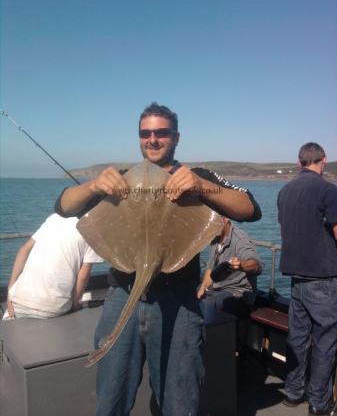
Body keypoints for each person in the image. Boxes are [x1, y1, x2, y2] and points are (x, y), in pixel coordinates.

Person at [54, 102, 262, 416]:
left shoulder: (197, 176)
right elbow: (63, 206)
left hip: (178, 301)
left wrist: (201, 186)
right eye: (145, 133)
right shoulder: (122, 178)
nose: (153, 139)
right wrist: (95, 184)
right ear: (139, 137)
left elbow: (250, 209)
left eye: (161, 133)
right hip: (122, 295)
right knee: (110, 397)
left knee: (179, 400)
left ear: (176, 137)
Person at [277, 142, 337, 416]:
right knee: (325, 342)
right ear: (322, 161)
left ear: (300, 161)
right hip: (323, 279)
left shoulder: (285, 191)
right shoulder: (327, 190)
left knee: (298, 339)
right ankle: (318, 403)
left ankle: (292, 393)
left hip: (296, 280)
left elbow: (286, 230)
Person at [3, 213, 103, 320]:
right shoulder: (94, 229)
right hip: (53, 308)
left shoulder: (55, 217)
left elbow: (23, 251)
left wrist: (10, 292)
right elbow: (83, 275)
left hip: (17, 302)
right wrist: (75, 305)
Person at [198, 217, 262, 319]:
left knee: (209, 303)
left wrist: (241, 265)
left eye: (215, 220)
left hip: (239, 293)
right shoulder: (215, 238)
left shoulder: (240, 240)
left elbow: (256, 265)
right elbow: (210, 269)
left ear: (226, 218)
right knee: (190, 296)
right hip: (218, 289)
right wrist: (202, 287)